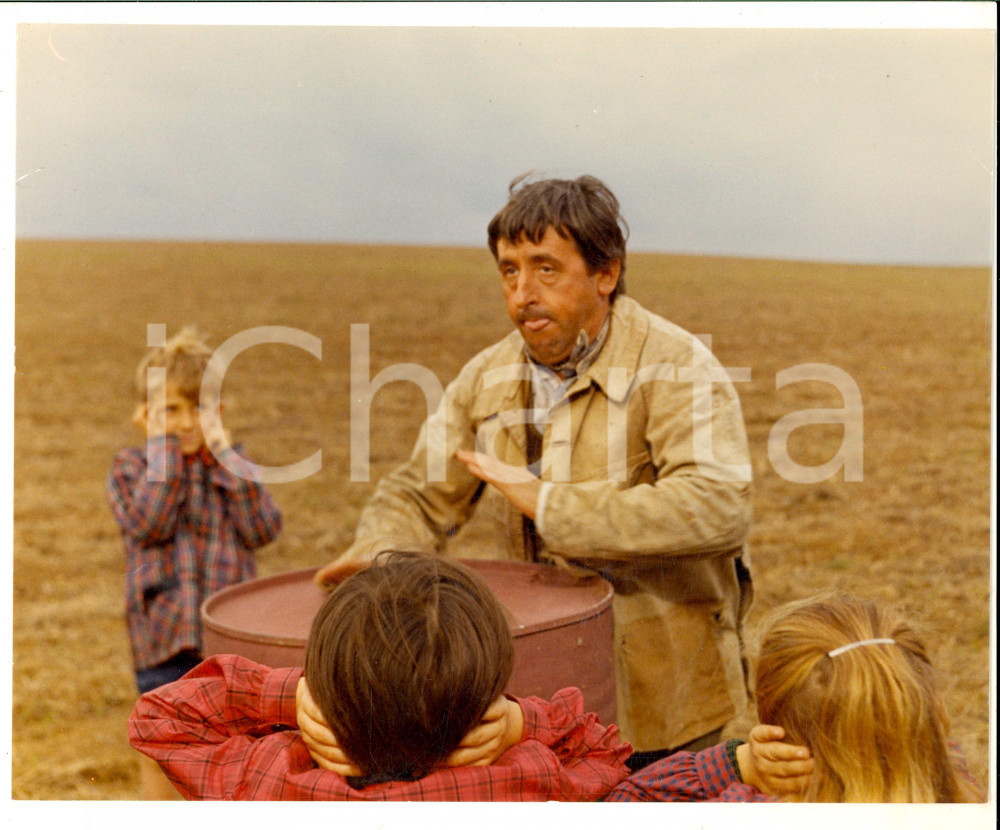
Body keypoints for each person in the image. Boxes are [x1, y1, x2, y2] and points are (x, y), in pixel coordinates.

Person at [315, 174, 754, 766]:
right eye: (509, 270)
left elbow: (717, 506)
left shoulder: (677, 366)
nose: (523, 293)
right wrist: (381, 550)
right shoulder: (485, 376)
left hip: (664, 702)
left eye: (546, 269)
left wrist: (549, 506)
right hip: (532, 697)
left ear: (606, 274)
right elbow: (418, 492)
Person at [128, 551, 633, 800]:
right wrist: (520, 725)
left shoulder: (278, 779)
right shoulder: (528, 774)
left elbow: (158, 717)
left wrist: (290, 696)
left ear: (326, 696)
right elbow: (605, 748)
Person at [108, 326, 282, 798]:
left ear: (219, 414)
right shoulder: (132, 468)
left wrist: (225, 457)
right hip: (165, 641)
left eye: (199, 409)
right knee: (162, 752)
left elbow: (263, 529)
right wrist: (163, 452)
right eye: (171, 410)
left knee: (232, 754)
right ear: (144, 417)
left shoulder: (230, 467)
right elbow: (150, 524)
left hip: (226, 642)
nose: (186, 423)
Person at [605, 594, 985, 802]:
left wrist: (739, 763)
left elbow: (625, 802)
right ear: (934, 713)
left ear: (779, 737)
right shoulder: (958, 791)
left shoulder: (745, 810)